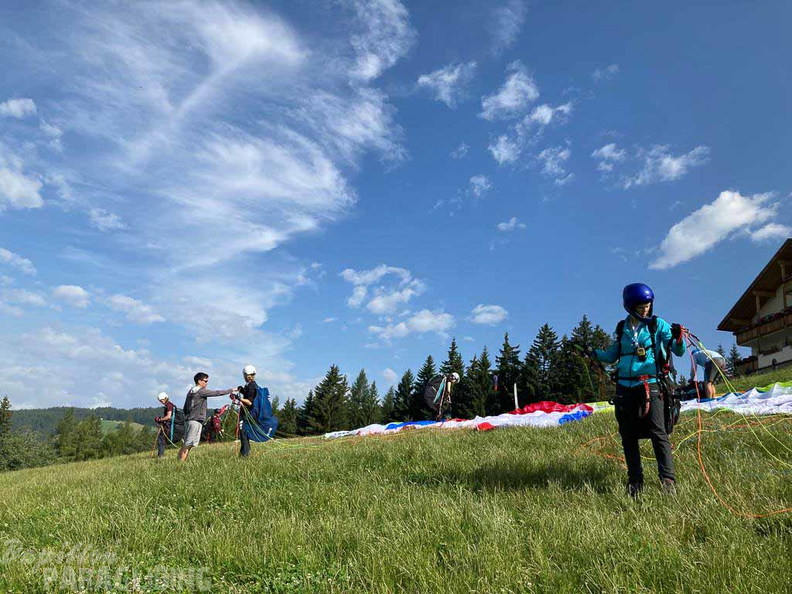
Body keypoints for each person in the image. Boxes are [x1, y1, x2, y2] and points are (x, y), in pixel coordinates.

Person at [594, 283, 686, 497]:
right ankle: (635, 482)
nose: (646, 309)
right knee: (628, 435)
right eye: (641, 307)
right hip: (624, 388)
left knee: (658, 432)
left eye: (648, 305)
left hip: (650, 385)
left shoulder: (657, 325)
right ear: (630, 307)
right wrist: (593, 352)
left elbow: (678, 351)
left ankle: (667, 481)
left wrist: (678, 338)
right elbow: (611, 356)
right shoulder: (622, 328)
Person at [178, 373, 235, 462]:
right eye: (205, 381)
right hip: (195, 421)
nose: (206, 383)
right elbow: (217, 393)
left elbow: (185, 407)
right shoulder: (201, 391)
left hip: (190, 420)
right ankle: (180, 463)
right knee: (189, 443)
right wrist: (231, 390)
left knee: (188, 443)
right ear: (199, 381)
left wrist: (188, 416)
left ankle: (181, 460)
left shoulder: (190, 391)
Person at [234, 365, 259, 457]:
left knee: (243, 433)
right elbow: (248, 394)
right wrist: (242, 390)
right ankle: (243, 454)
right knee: (243, 434)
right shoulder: (249, 385)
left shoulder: (252, 385)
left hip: (247, 413)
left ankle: (245, 455)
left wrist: (238, 398)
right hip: (246, 412)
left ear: (246, 375)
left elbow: (249, 402)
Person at [154, 392, 174, 457]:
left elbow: (168, 416)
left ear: (165, 398)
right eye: (160, 400)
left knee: (161, 439)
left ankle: (160, 456)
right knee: (161, 439)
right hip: (168, 424)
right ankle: (160, 455)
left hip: (168, 425)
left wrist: (160, 419)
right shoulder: (169, 405)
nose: (161, 402)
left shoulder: (169, 405)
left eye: (161, 400)